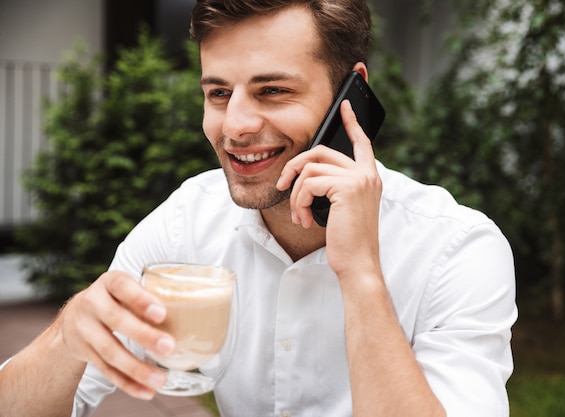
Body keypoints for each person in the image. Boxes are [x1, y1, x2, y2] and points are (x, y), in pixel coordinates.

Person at [0, 0, 517, 416]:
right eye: (219, 93)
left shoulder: (458, 249)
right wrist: (65, 339)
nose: (235, 125)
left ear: (352, 94)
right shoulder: (190, 219)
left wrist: (360, 273)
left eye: (272, 90)